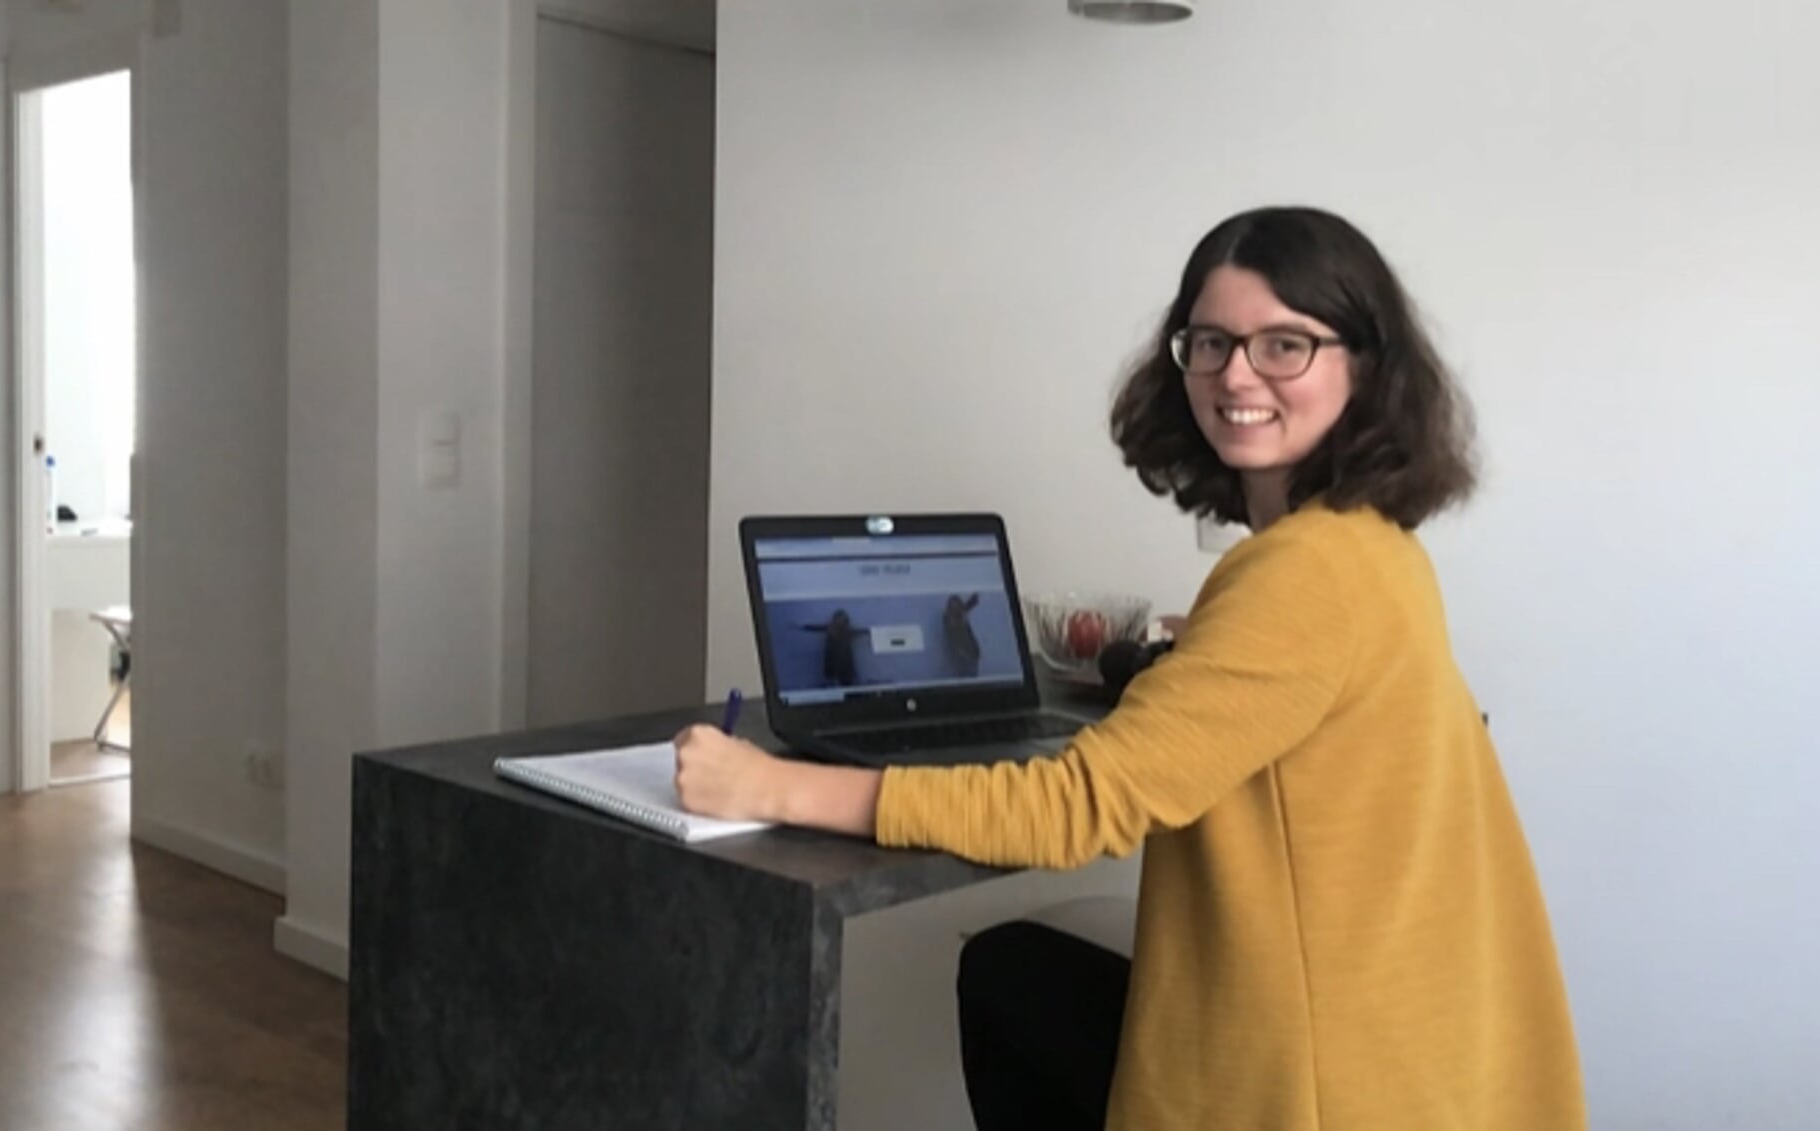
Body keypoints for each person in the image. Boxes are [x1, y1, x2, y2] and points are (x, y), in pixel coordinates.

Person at [675, 206, 1585, 1130]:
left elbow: (1076, 807)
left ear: (1364, 364)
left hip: (1320, 1083)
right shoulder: (1372, 549)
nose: (1236, 375)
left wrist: (772, 785)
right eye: (1211, 342)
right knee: (1011, 971)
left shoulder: (1301, 576)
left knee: (1011, 980)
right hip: (1421, 1043)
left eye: (1284, 345)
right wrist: (1205, 655)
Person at [942, 593, 983, 678]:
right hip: (961, 651)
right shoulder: (949, 617)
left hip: (970, 650)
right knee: (964, 673)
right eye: (953, 605)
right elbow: (953, 625)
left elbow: (965, 609)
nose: (955, 607)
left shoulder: (960, 616)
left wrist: (973, 601)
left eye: (957, 604)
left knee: (972, 673)